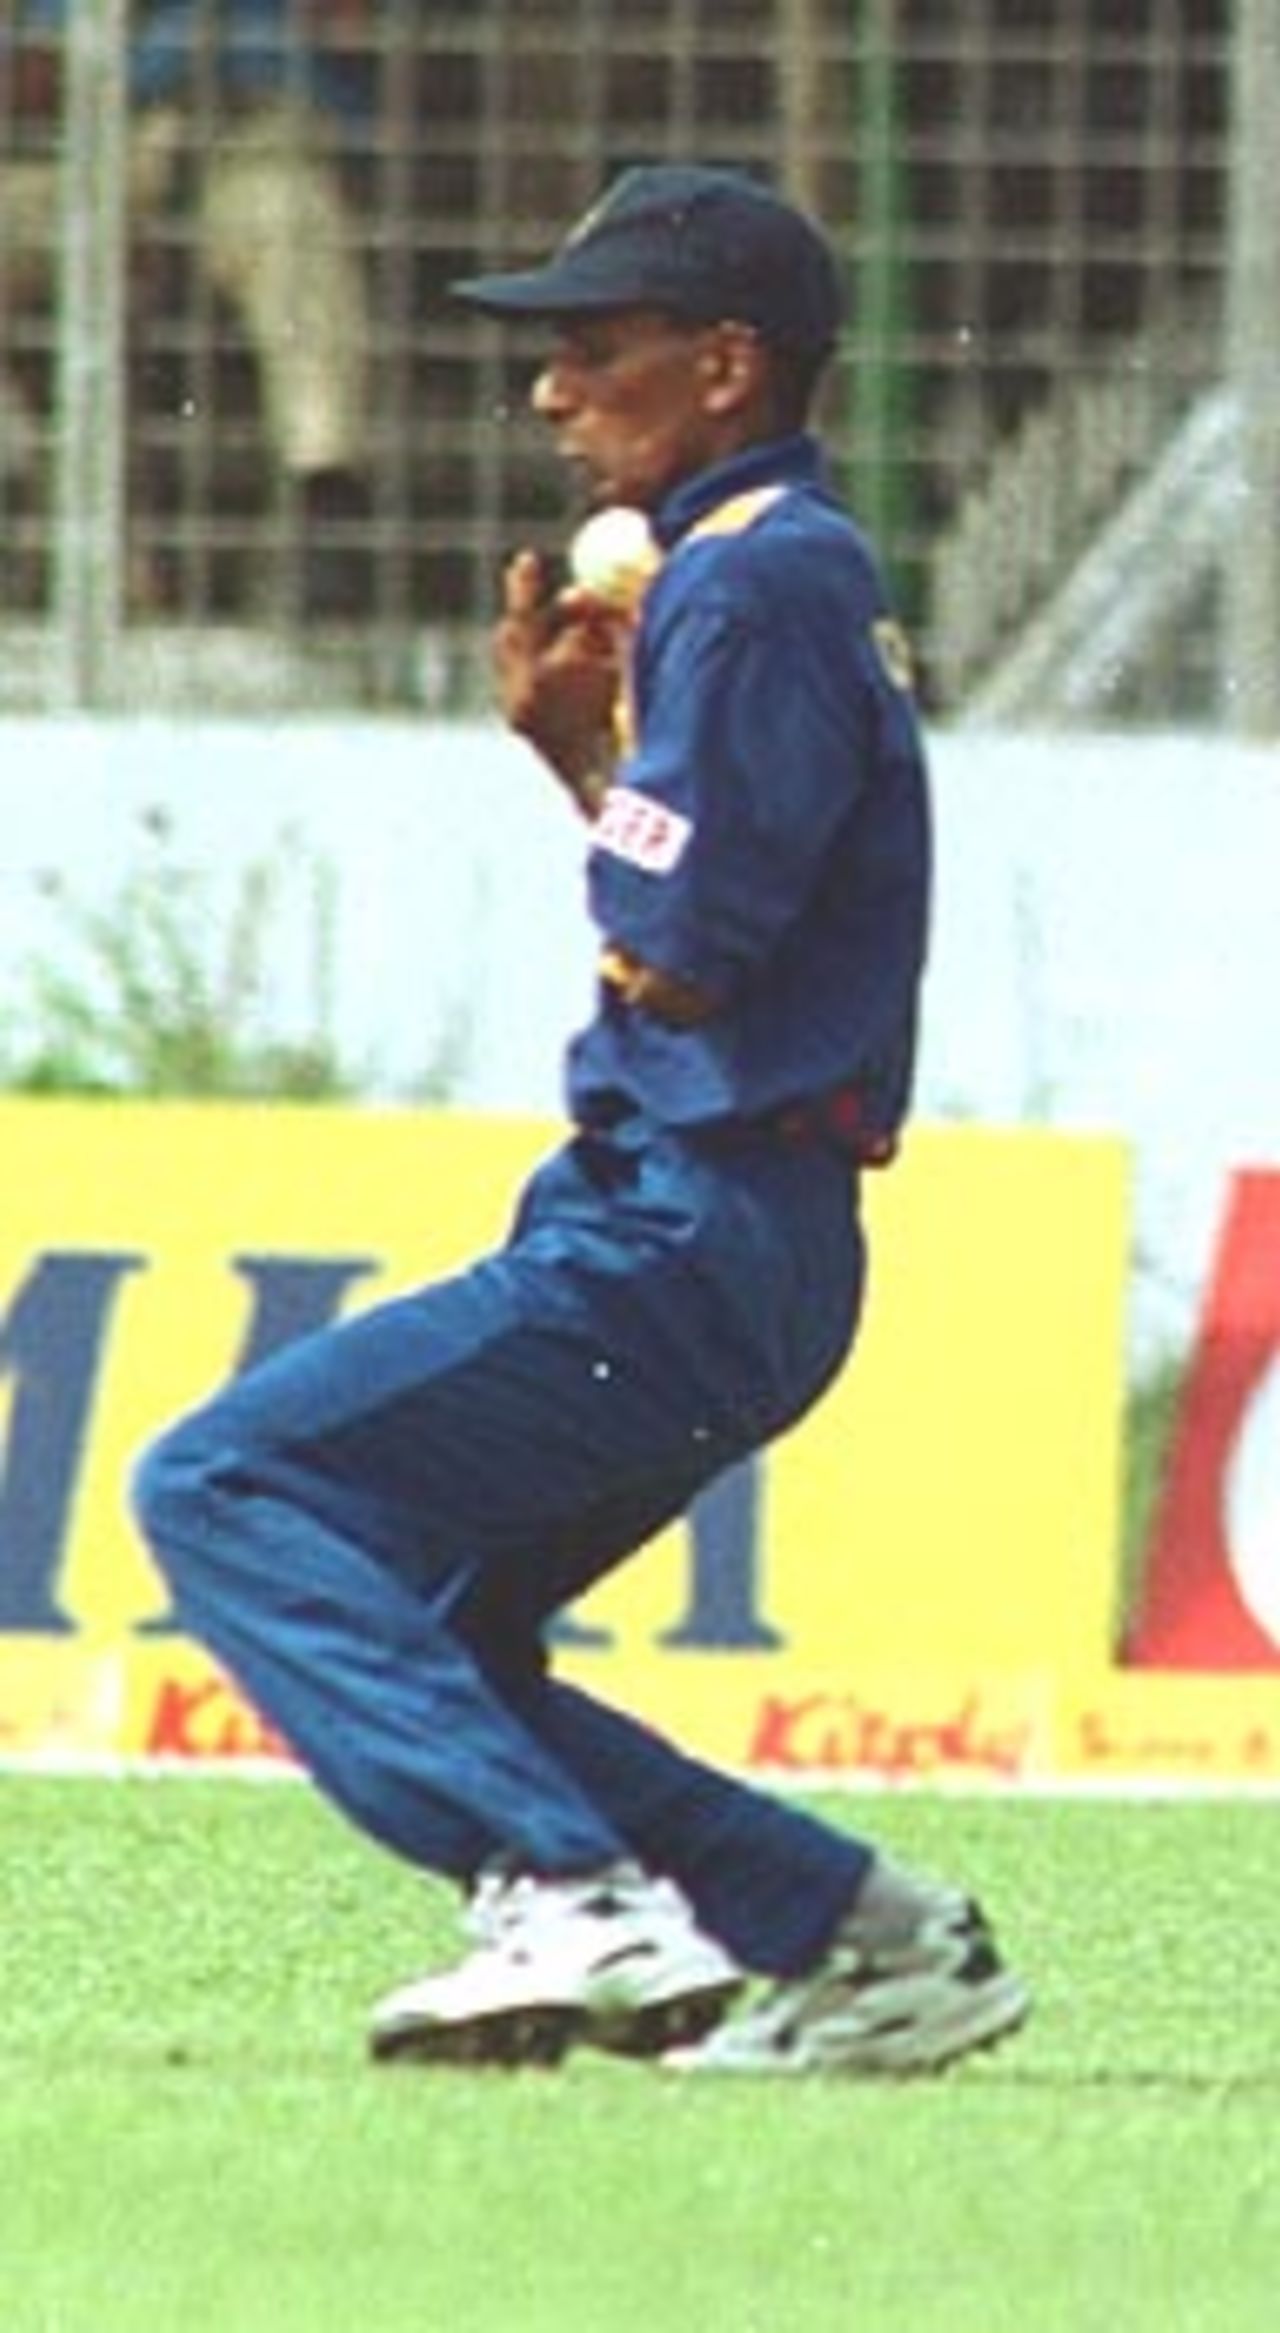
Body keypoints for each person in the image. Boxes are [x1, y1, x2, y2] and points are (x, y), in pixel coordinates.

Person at [133, 164, 1030, 2077]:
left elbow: (685, 946)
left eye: (591, 349)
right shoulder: (764, 568)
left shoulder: (758, 573)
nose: (548, 391)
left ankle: (559, 1885)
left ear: (725, 367)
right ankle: (867, 1935)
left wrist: (606, 800)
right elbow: (708, 899)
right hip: (730, 1225)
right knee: (442, 1621)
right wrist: (587, 759)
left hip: (686, 1222)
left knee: (226, 1484)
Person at [0, 1, 373, 618]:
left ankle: (322, 492)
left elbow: (341, 39)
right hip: (69, 145)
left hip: (239, 130)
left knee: (291, 229)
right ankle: (23, 501)